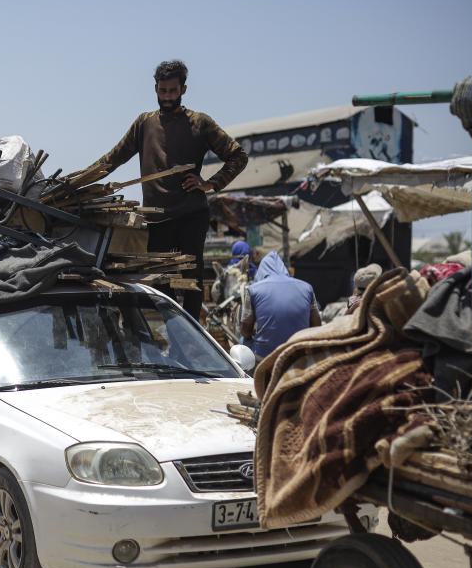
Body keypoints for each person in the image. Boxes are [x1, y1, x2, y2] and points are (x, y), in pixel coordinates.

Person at [84, 59, 248, 318]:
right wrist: (82, 180)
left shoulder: (200, 122)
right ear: (155, 89)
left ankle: (192, 334)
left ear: (183, 89)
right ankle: (174, 332)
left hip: (191, 214)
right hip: (157, 218)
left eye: (173, 91)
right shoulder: (144, 123)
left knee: (191, 279)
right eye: (163, 91)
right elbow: (113, 158)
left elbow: (238, 156)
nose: (167, 97)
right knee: (161, 281)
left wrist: (210, 183)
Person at [241, 251, 321, 359]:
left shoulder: (253, 290)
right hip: (300, 352)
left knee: (243, 341)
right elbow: (316, 326)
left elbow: (246, 331)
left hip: (265, 355)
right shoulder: (307, 288)